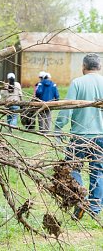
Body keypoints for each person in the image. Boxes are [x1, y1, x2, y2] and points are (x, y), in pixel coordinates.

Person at [55, 53, 103, 220]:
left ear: (83, 67)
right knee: (98, 171)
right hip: (101, 137)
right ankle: (95, 209)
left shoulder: (77, 82)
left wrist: (58, 127)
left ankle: (80, 198)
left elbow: (67, 108)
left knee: (73, 169)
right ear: (100, 67)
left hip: (79, 137)